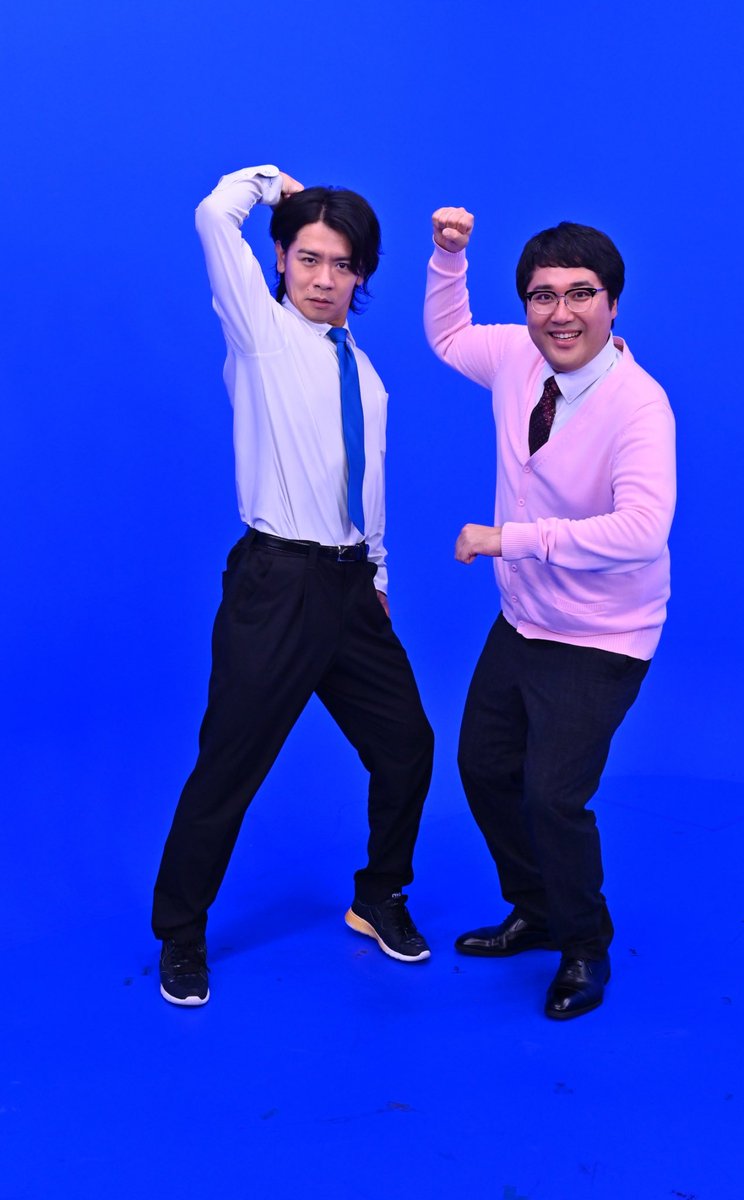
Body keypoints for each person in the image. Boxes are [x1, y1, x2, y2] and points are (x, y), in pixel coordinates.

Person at [152, 164, 434, 1006]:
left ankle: (379, 896)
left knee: (408, 746)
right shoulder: (261, 335)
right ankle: (180, 931)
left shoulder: (366, 374)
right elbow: (214, 215)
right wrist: (274, 185)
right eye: (308, 259)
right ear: (280, 260)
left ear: (361, 275)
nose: (323, 279)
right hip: (277, 584)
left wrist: (378, 573)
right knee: (229, 765)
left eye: (342, 265)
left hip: (351, 585)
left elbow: (367, 482)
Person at [424, 206, 676, 1020]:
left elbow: (642, 532)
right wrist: (449, 258)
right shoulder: (517, 358)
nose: (560, 313)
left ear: (613, 303)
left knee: (552, 798)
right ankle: (535, 908)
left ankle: (584, 944)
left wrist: (513, 540)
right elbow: (448, 336)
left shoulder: (639, 406)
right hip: (524, 619)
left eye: (580, 294)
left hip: (603, 635)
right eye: (542, 296)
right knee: (483, 768)